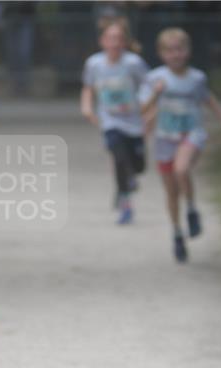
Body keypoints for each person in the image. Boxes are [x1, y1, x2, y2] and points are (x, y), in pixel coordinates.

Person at [139, 27, 221, 263]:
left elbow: (208, 99)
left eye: (180, 49)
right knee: (171, 192)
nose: (176, 55)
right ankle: (177, 233)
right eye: (170, 50)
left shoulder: (196, 78)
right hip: (165, 139)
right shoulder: (154, 78)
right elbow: (142, 108)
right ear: (161, 53)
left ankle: (191, 209)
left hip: (191, 134)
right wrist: (156, 94)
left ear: (188, 51)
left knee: (181, 169)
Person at [81, 15, 149, 225]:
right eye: (110, 38)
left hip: (134, 122)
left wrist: (146, 106)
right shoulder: (94, 63)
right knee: (119, 158)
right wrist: (86, 107)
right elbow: (88, 88)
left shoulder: (133, 63)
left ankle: (129, 180)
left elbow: (147, 85)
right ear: (102, 41)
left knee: (138, 166)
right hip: (110, 121)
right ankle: (126, 203)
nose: (115, 43)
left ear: (125, 42)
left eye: (119, 38)